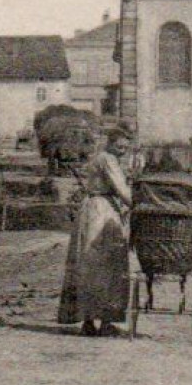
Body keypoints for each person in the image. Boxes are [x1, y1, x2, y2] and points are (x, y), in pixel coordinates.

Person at [58, 128, 134, 335]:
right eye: (119, 146)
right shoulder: (107, 160)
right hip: (102, 212)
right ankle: (104, 321)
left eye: (126, 147)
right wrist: (140, 204)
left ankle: (89, 320)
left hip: (93, 210)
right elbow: (121, 188)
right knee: (105, 265)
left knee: (88, 265)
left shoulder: (101, 158)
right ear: (110, 143)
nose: (122, 150)